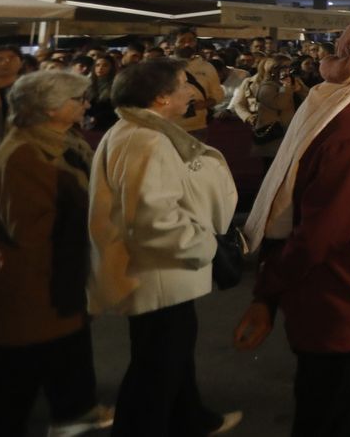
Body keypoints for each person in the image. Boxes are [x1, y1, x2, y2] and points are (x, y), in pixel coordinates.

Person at [234, 16, 350, 437]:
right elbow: (322, 234)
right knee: (331, 416)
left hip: (330, 301)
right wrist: (267, 294)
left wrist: (268, 293)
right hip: (339, 302)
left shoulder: (339, 111)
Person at [89, 58, 241, 436]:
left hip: (158, 273)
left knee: (170, 356)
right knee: (156, 368)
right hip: (157, 273)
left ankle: (191, 419)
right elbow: (152, 218)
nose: (192, 91)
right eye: (183, 84)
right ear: (160, 98)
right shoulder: (146, 139)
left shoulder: (140, 131)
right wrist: (205, 247)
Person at [0, 71, 115, 436]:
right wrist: (92, 213)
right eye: (77, 99)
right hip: (36, 280)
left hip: (58, 277)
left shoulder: (62, 141)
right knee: (20, 372)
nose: (86, 104)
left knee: (62, 348)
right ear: (49, 109)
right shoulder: (23, 155)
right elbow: (27, 231)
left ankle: (74, 410)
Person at [171, 30, 223, 135]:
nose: (187, 44)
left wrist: (204, 104)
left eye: (191, 41)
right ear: (173, 44)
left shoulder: (207, 67)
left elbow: (218, 94)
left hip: (197, 126)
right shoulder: (163, 67)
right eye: (182, 41)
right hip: (169, 127)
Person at [0, 45, 22, 146]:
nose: (5, 62)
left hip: (16, 146)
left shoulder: (30, 91)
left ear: (21, 63)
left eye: (12, 58)